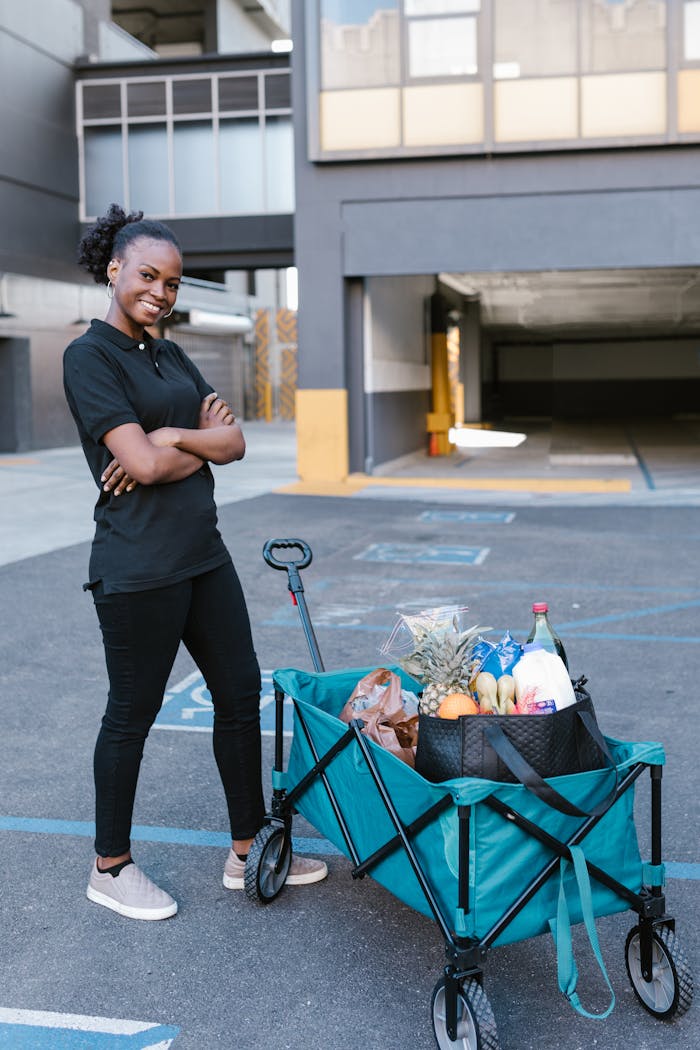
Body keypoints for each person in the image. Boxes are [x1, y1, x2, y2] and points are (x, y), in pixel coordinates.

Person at [63, 204, 327, 921]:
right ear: (115, 269)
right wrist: (179, 447)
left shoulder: (167, 355)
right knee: (132, 715)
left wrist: (171, 436)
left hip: (202, 556)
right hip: (138, 567)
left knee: (240, 697)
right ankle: (110, 868)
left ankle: (248, 852)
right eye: (148, 275)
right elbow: (142, 465)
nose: (160, 292)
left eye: (173, 283)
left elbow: (233, 441)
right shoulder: (88, 357)